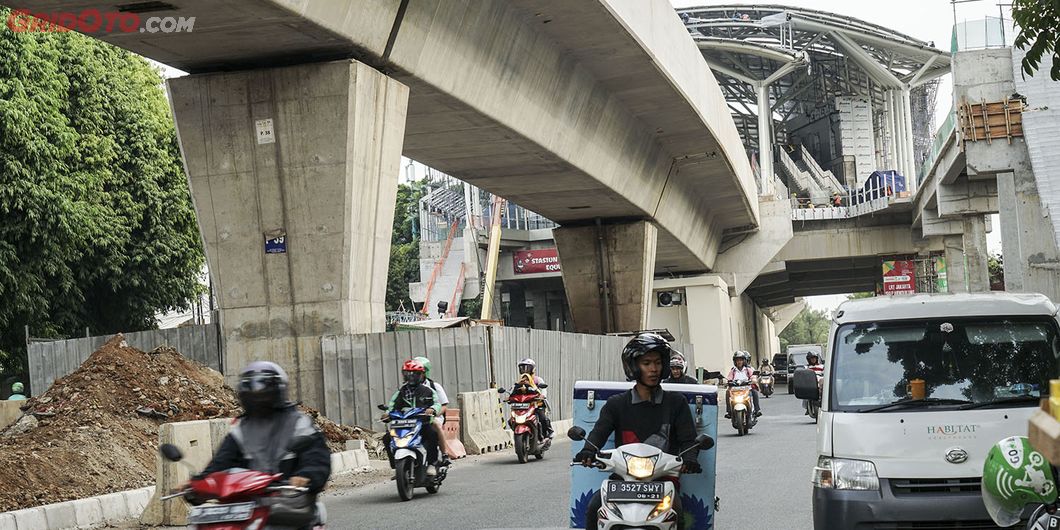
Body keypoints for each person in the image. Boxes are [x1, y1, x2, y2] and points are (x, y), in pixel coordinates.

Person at [574, 332, 701, 530]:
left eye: (658, 363)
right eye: (647, 363)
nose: (654, 369)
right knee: (594, 507)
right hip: (623, 481)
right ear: (634, 366)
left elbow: (688, 440)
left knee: (677, 512)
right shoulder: (616, 404)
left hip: (662, 479)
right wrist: (588, 451)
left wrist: (690, 458)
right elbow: (599, 432)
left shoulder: (676, 403)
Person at [199, 362, 331, 495]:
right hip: (250, 502)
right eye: (253, 397)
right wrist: (199, 483)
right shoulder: (241, 430)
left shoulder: (299, 424)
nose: (259, 401)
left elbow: (317, 458)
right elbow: (221, 462)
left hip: (293, 503)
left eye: (264, 395)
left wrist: (306, 476)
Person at [381, 360, 443, 475]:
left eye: (414, 374)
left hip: (422, 424)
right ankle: (396, 466)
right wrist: (387, 414)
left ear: (421, 375)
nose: (411, 377)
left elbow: (437, 403)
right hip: (403, 425)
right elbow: (391, 406)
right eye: (408, 374)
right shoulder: (400, 392)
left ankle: (431, 464)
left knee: (432, 434)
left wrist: (433, 409)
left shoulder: (428, 391)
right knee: (387, 438)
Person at [413, 356, 451, 465]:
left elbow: (444, 405)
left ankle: (445, 454)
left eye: (417, 372)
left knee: (435, 425)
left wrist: (434, 412)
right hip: (414, 418)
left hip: (432, 416)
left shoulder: (434, 387)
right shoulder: (407, 388)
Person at [512, 358, 553, 438]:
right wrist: (509, 396)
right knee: (512, 418)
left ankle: (549, 431)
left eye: (527, 368)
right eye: (522, 368)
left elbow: (543, 389)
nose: (524, 370)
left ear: (533, 369)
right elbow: (512, 390)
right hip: (524, 405)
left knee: (542, 417)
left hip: (536, 404)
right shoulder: (519, 381)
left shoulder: (537, 379)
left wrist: (542, 395)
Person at [725, 351, 762, 418]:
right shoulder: (733, 370)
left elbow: (753, 376)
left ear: (744, 361)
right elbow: (729, 378)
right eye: (737, 360)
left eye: (740, 360)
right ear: (735, 362)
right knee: (727, 392)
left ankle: (757, 410)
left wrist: (753, 380)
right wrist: (727, 382)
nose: (739, 362)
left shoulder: (748, 370)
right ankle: (729, 411)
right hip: (735, 390)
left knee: (754, 392)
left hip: (746, 389)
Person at [804, 352, 825, 416]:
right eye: (811, 358)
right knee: (804, 393)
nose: (813, 360)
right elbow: (804, 376)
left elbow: (825, 374)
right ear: (808, 359)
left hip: (820, 382)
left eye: (814, 358)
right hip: (810, 383)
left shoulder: (822, 366)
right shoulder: (806, 367)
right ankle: (807, 408)